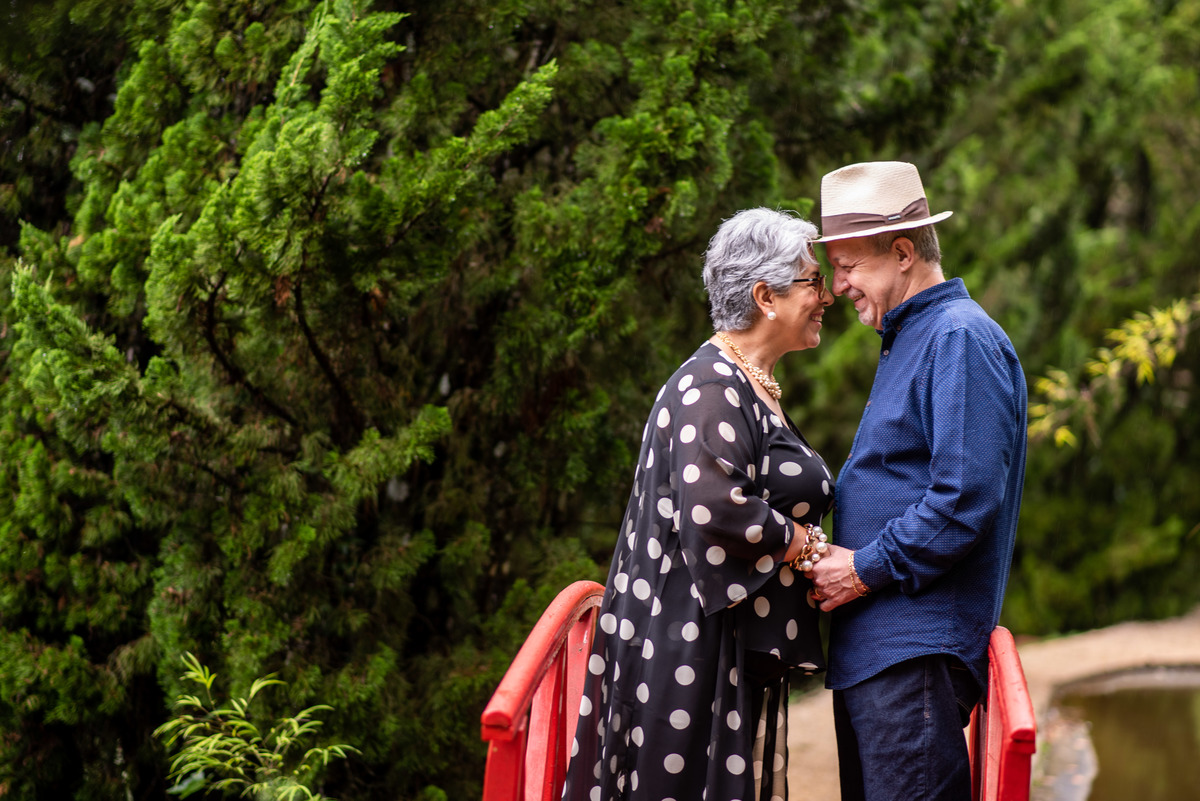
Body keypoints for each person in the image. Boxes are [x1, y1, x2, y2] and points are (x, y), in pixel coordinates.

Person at [561, 207, 835, 801]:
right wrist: (808, 548)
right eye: (815, 281)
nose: (828, 296)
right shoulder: (710, 386)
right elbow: (716, 508)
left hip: (714, 645)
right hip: (687, 649)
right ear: (766, 296)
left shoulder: (747, 383)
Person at [807, 161, 1028, 801]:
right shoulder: (914, 335)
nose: (835, 285)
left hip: (912, 657)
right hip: (881, 658)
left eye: (848, 266)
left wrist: (862, 568)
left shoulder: (958, 337)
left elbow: (964, 501)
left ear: (903, 252)